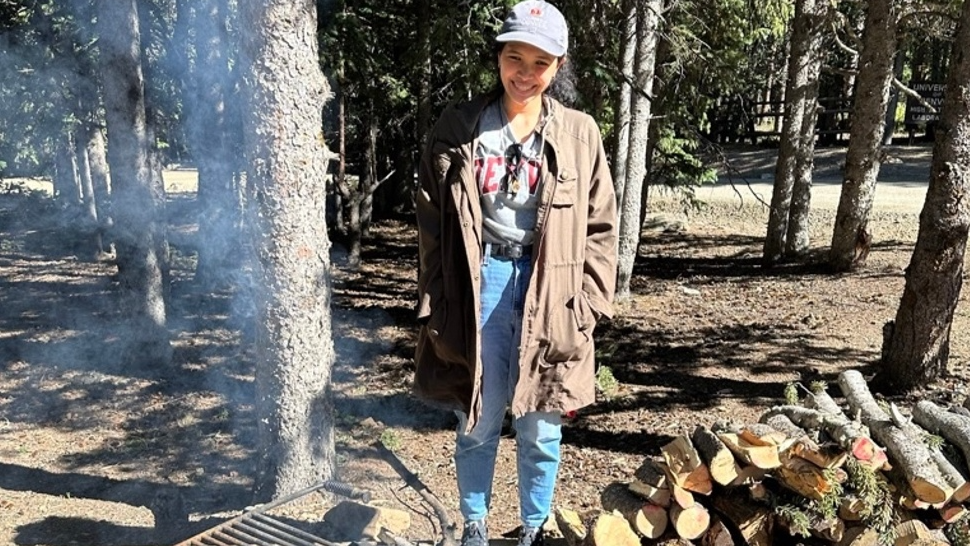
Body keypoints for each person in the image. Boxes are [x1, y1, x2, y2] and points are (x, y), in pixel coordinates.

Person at [412, 1, 617, 545]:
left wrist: (590, 304)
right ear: (498, 57)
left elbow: (601, 228)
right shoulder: (460, 127)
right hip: (482, 281)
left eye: (540, 62)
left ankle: (532, 528)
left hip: (554, 291)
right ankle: (474, 525)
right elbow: (432, 217)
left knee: (542, 422)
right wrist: (436, 292)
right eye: (514, 57)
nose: (525, 73)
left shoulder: (580, 134)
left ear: (559, 65)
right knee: (478, 416)